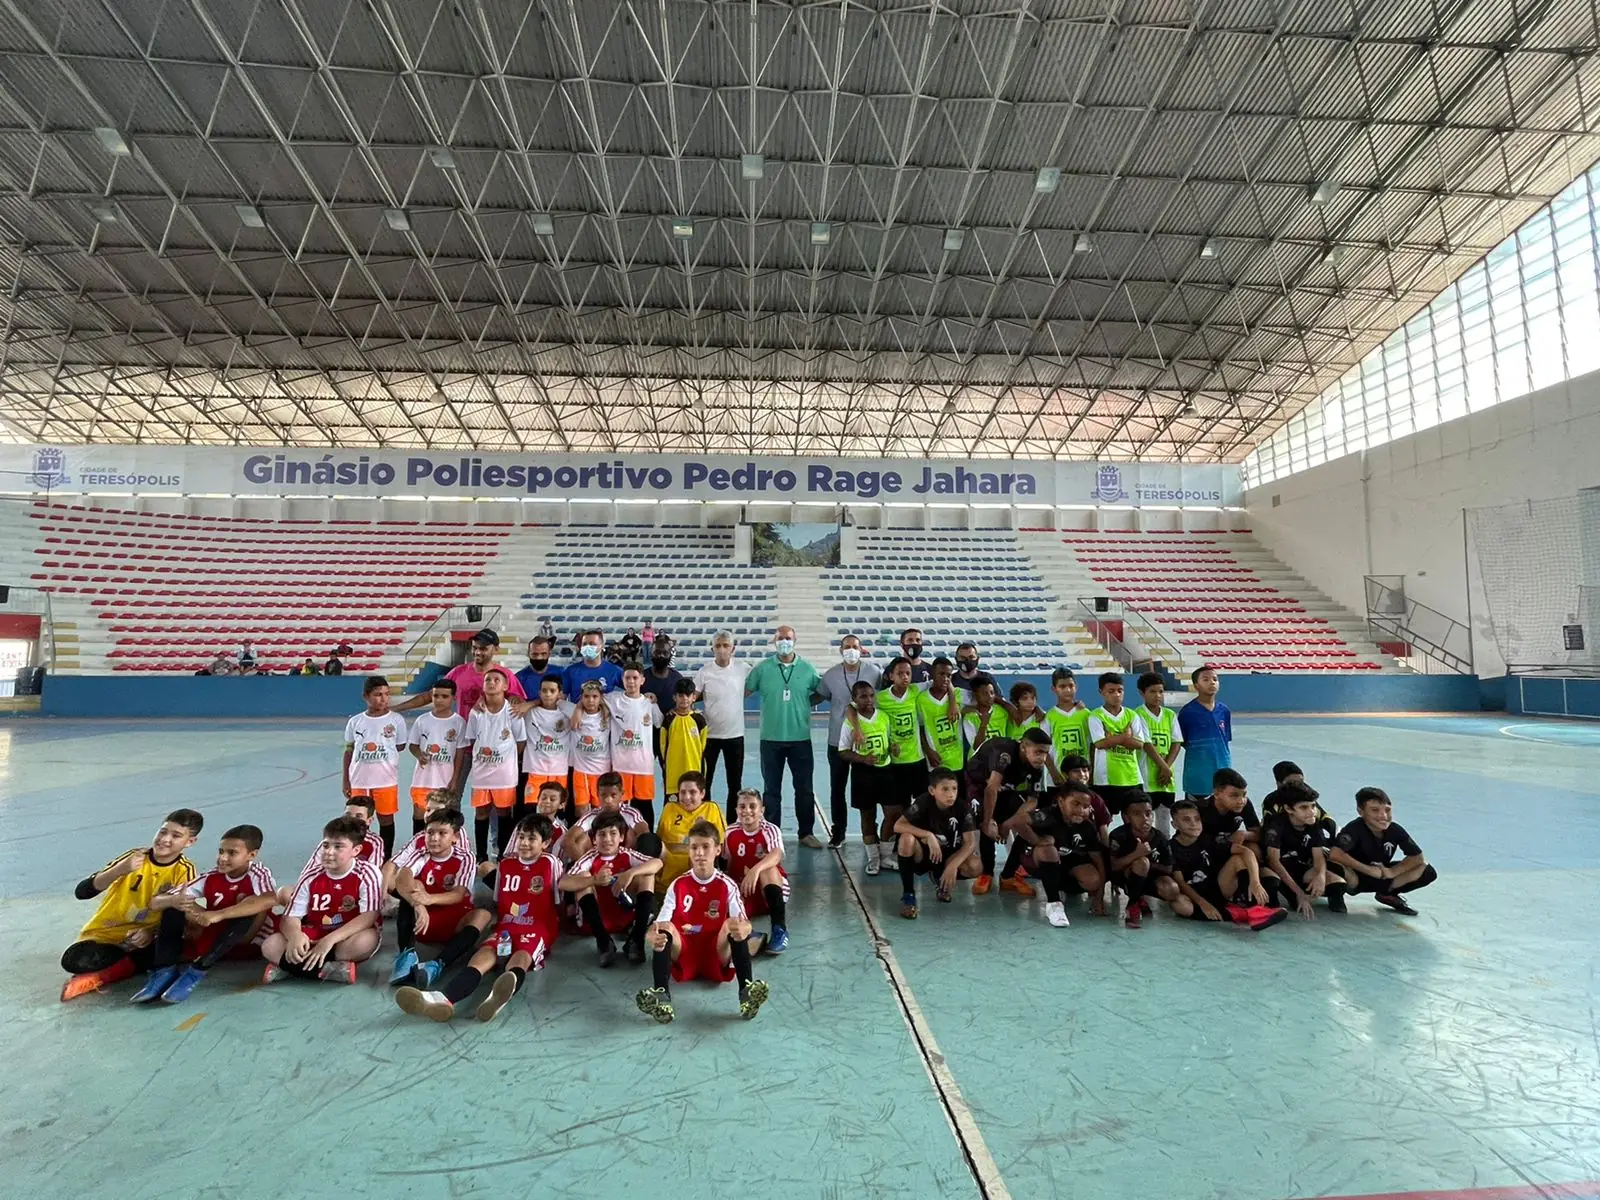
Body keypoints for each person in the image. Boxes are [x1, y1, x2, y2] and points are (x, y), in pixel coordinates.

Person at [395, 813, 562, 1023]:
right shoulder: (506, 866)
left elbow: (558, 896)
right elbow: (499, 901)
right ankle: (442, 998)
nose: (524, 843)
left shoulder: (550, 862)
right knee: (481, 957)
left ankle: (498, 996)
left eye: (531, 838)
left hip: (537, 928)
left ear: (545, 843)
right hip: (506, 927)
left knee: (521, 957)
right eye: (521, 837)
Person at [59, 809, 203, 1001]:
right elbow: (83, 892)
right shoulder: (134, 857)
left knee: (176, 927)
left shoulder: (184, 870)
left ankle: (104, 975)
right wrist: (120, 870)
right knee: (73, 960)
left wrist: (150, 933)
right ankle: (120, 966)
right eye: (163, 831)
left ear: (190, 842)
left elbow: (179, 916)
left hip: (147, 938)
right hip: (106, 935)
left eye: (176, 836)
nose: (165, 839)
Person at [634, 819, 770, 1024]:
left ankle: (747, 993)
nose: (699, 853)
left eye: (705, 847)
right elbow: (660, 922)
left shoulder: (727, 885)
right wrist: (651, 935)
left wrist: (745, 929)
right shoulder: (678, 885)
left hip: (715, 952)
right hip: (685, 950)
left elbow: (745, 922)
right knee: (664, 929)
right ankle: (662, 997)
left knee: (733, 925)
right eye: (694, 847)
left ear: (717, 850)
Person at [128, 823, 280, 1005]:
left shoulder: (258, 874)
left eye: (232, 853)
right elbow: (155, 902)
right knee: (172, 906)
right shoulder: (211, 876)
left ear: (252, 855)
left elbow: (270, 899)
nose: (222, 858)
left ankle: (196, 972)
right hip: (213, 940)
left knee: (249, 906)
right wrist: (179, 903)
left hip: (245, 942)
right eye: (221, 851)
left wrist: (219, 914)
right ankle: (164, 971)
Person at [262, 816, 384, 984]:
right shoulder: (311, 876)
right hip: (314, 931)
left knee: (365, 941)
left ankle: (289, 967)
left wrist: (330, 940)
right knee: (270, 945)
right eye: (326, 845)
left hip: (347, 934)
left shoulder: (367, 873)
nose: (329, 852)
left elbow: (369, 916)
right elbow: (290, 916)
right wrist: (296, 936)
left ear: (356, 851)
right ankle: (330, 970)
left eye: (338, 847)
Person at [745, 624, 823, 848]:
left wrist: (803, 705)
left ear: (795, 640)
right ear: (774, 641)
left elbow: (819, 693)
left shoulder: (808, 669)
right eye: (780, 638)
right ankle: (773, 835)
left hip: (800, 739)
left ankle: (806, 832)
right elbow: (745, 690)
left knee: (805, 789)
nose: (784, 641)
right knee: (771, 790)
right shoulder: (762, 669)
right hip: (770, 739)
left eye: (788, 637)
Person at [386, 807, 482, 987]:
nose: (434, 838)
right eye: (430, 832)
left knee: (482, 915)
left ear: (455, 837)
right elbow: (403, 876)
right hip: (423, 921)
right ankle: (407, 954)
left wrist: (428, 899)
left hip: (453, 920)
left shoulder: (465, 857)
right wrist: (418, 904)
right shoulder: (420, 854)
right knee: (410, 887)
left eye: (442, 833)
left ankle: (437, 965)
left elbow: (458, 894)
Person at [562, 811, 663, 967]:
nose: (607, 839)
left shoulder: (627, 854)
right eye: (602, 835)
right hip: (595, 923)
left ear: (621, 837)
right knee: (582, 878)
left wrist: (630, 873)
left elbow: (657, 863)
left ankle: (636, 940)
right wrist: (594, 880)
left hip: (623, 920)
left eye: (613, 834)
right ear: (594, 839)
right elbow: (563, 883)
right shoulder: (589, 858)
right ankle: (603, 943)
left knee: (646, 874)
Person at [1169, 800, 1285, 931]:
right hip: (1193, 896)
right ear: (1174, 824)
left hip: (1218, 890)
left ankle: (1254, 910)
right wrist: (1204, 904)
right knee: (1180, 905)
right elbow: (1180, 882)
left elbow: (1246, 852)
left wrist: (1255, 882)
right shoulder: (1171, 848)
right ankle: (1237, 914)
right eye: (1186, 820)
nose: (1194, 824)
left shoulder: (1207, 839)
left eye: (1197, 819)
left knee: (1238, 859)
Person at [965, 728, 1052, 896]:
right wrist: (988, 821)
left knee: (1027, 823)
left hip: (1003, 786)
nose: (1042, 758)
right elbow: (991, 788)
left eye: (1046, 753)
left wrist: (1009, 823)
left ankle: (1008, 877)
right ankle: (987, 874)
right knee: (987, 823)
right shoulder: (1005, 754)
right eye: (1038, 752)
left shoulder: (1037, 766)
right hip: (979, 784)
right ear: (1023, 747)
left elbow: (1032, 801)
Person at [814, 633, 881, 847]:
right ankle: (839, 831)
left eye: (854, 646)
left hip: (867, 741)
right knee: (837, 788)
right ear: (841, 650)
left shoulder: (874, 672)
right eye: (846, 646)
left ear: (861, 649)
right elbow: (820, 696)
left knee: (870, 789)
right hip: (837, 740)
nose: (850, 649)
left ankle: (873, 832)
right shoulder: (830, 675)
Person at [1330, 787, 1437, 915]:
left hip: (1381, 874)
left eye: (1387, 810)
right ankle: (1336, 894)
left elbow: (1416, 857)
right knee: (1333, 864)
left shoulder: (1395, 830)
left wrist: (1392, 872)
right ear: (1360, 811)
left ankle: (1387, 894)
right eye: (1375, 810)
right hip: (1355, 876)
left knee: (1426, 869)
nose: (1383, 816)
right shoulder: (1354, 828)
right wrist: (1368, 870)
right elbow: (1336, 854)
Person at [459, 665, 525, 861]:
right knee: (481, 813)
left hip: (504, 774)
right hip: (481, 772)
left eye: (497, 680)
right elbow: (472, 739)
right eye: (488, 680)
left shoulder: (512, 711)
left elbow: (520, 742)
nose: (492, 683)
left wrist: (506, 759)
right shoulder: (476, 712)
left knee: (503, 813)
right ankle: (480, 855)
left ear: (505, 686)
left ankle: (503, 853)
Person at [892, 767, 978, 918]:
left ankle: (940, 879)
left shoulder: (963, 807)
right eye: (945, 789)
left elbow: (970, 843)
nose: (951, 794)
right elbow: (898, 825)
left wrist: (953, 865)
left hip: (948, 855)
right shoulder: (924, 801)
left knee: (975, 866)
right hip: (925, 854)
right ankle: (908, 895)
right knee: (906, 839)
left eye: (954, 789)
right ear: (932, 790)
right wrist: (928, 835)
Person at [1024, 783, 1107, 928]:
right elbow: (1019, 822)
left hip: (1069, 866)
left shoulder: (1087, 826)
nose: (1081, 810)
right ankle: (1054, 904)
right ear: (1061, 801)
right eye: (1075, 804)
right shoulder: (1047, 815)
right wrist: (1036, 840)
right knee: (1048, 849)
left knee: (1093, 880)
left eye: (1085, 806)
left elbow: (1098, 859)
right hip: (1039, 863)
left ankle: (1063, 888)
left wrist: (1099, 896)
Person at [393, 629, 528, 718]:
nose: (477, 652)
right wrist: (396, 708)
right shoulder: (458, 672)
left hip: (490, 743)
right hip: (462, 742)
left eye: (483, 648)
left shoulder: (505, 675)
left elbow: (519, 703)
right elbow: (428, 696)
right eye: (474, 648)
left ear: (496, 650)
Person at [343, 675, 407, 859]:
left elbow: (400, 745)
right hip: (359, 779)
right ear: (366, 696)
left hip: (385, 779)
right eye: (378, 695)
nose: (383, 699)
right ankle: (360, 853)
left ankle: (385, 856)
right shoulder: (355, 721)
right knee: (358, 819)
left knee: (386, 818)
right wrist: (346, 780)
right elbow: (349, 751)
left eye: (386, 694)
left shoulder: (396, 720)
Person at [837, 678, 893, 874]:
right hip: (863, 774)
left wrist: (892, 748)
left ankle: (886, 855)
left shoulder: (884, 717)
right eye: (863, 696)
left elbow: (889, 739)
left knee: (892, 814)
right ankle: (873, 858)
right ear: (854, 699)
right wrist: (862, 759)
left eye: (871, 695)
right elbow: (843, 751)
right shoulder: (850, 723)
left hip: (886, 771)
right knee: (868, 817)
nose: (868, 700)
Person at [1263, 785, 1345, 918]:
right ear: (1289, 809)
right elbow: (1274, 861)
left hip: (1299, 866)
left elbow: (1318, 857)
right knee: (1276, 887)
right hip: (1277, 869)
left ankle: (1320, 896)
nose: (1311, 811)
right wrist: (1299, 893)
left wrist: (1321, 876)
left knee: (1338, 885)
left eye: (1313, 806)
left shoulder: (1313, 824)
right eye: (1304, 807)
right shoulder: (1276, 825)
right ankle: (1287, 893)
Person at [724, 788, 790, 953]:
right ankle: (752, 936)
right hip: (745, 890)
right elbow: (727, 862)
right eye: (742, 806)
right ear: (736, 810)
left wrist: (755, 870)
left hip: (768, 890)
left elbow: (776, 854)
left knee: (769, 869)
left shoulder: (770, 829)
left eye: (752, 806)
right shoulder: (730, 831)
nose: (747, 810)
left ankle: (779, 930)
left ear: (762, 810)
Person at [693, 630, 751, 810]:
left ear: (733, 648)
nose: (722, 649)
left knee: (734, 783)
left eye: (726, 645)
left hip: (735, 735)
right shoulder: (705, 672)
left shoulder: (744, 669)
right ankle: (707, 819)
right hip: (710, 736)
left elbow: (753, 687)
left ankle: (733, 824)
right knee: (706, 781)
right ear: (712, 648)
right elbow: (692, 696)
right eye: (718, 645)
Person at [875, 656, 926, 859]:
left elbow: (944, 683)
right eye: (900, 673)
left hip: (917, 762)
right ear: (890, 676)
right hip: (894, 765)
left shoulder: (915, 691)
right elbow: (853, 707)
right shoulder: (881, 698)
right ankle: (886, 852)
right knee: (895, 812)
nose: (905, 677)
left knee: (921, 809)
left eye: (908, 673)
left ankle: (919, 848)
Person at [1087, 672, 1157, 814]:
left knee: (1133, 816)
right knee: (1104, 818)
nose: (1116, 695)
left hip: (1131, 777)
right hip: (1105, 778)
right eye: (1111, 691)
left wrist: (1112, 739)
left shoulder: (1132, 715)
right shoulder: (1095, 715)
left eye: (1120, 691)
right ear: (1102, 692)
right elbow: (1100, 743)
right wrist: (1125, 737)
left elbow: (1139, 744)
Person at [1107, 795, 1180, 929]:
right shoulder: (1118, 835)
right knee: (1141, 862)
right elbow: (1113, 866)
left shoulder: (1160, 838)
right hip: (1125, 878)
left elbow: (1169, 868)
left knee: (1172, 890)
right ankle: (1132, 905)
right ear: (1126, 817)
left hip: (1150, 878)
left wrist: (1149, 865)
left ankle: (1140, 895)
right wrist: (1137, 855)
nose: (1145, 819)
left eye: (1148, 814)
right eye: (1137, 814)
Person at [406, 679, 466, 836]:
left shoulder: (458, 722)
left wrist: (454, 780)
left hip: (443, 780)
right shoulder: (422, 720)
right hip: (422, 779)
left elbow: (459, 753)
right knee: (419, 816)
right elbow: (413, 745)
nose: (439, 700)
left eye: (444, 696)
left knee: (441, 818)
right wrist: (419, 755)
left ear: (454, 698)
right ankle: (418, 846)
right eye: (435, 696)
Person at [605, 663, 658, 823]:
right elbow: (591, 698)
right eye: (627, 678)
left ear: (642, 680)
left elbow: (660, 722)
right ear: (623, 679)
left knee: (645, 806)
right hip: (621, 765)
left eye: (635, 678)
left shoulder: (649, 703)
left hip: (643, 766)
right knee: (620, 807)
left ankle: (645, 840)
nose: (631, 681)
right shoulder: (613, 700)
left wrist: (654, 701)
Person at [655, 771, 726, 887]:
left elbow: (722, 848)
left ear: (702, 793)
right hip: (668, 874)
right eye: (683, 792)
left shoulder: (711, 809)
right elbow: (657, 843)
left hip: (699, 873)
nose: (687, 797)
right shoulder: (669, 809)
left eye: (692, 792)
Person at [1133, 672, 1182, 837]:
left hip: (1166, 778)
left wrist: (1167, 768)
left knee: (1164, 819)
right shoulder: (1137, 714)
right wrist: (1164, 767)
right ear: (1142, 693)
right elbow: (1146, 744)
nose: (1158, 696)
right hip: (1146, 776)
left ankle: (1163, 851)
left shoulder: (1170, 715)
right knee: (1144, 819)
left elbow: (1176, 742)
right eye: (1152, 692)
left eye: (1161, 691)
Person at [564, 771, 650, 860]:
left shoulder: (630, 814)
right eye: (603, 795)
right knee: (581, 839)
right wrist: (585, 864)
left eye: (613, 795)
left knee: (633, 835)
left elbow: (645, 835)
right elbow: (567, 840)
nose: (608, 800)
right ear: (597, 794)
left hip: (625, 861)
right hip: (597, 864)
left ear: (622, 793)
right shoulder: (591, 816)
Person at [1177, 666, 1232, 801]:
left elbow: (1225, 740)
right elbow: (1183, 742)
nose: (1212, 682)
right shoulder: (1187, 712)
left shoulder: (1224, 711)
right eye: (1205, 679)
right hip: (1198, 775)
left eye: (1215, 679)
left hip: (1223, 769)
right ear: (1196, 686)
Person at [519, 676, 573, 805]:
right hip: (536, 770)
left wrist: (560, 702)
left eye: (552, 691)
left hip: (559, 770)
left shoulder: (567, 713)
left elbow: (581, 711)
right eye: (544, 690)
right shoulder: (530, 713)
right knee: (532, 809)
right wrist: (532, 703)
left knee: (557, 810)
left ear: (559, 693)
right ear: (539, 693)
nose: (547, 694)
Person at [568, 680, 613, 811]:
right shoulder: (572, 711)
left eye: (594, 696)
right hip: (581, 770)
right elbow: (555, 702)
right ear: (581, 698)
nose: (590, 700)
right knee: (581, 810)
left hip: (602, 770)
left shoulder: (608, 716)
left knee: (601, 809)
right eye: (586, 696)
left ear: (601, 698)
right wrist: (577, 708)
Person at [660, 678, 707, 798]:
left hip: (694, 770)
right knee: (672, 808)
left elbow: (703, 747)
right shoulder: (668, 720)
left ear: (694, 697)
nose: (684, 698)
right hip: (673, 773)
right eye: (681, 695)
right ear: (674, 697)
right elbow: (663, 746)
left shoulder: (699, 720)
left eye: (688, 695)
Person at [917, 657, 965, 773]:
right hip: (936, 760)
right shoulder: (922, 699)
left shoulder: (958, 694)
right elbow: (920, 727)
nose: (945, 679)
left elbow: (983, 697)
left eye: (948, 675)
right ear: (932, 674)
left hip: (957, 760)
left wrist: (1007, 705)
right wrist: (928, 751)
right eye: (941, 674)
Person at [1044, 668, 1090, 771]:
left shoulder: (1086, 713)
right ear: (1054, 689)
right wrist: (1054, 774)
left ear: (1076, 687)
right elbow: (1044, 749)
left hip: (1082, 775)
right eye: (1062, 686)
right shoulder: (1048, 717)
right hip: (1058, 776)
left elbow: (1093, 745)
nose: (1067, 690)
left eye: (1071, 686)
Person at [562, 628, 624, 700]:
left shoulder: (615, 670)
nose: (587, 647)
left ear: (602, 646)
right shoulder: (570, 671)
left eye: (592, 644)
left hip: (604, 710)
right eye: (584, 644)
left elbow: (633, 691)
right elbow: (562, 697)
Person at [641, 635, 683, 726]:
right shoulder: (641, 678)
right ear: (651, 654)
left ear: (670, 655)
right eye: (657, 652)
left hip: (672, 728)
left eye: (665, 653)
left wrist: (677, 709)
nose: (661, 656)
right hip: (646, 728)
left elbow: (686, 704)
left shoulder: (678, 679)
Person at [961, 678, 1008, 752]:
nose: (989, 696)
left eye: (992, 693)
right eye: (984, 693)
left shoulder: (1002, 711)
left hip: (999, 759)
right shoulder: (969, 717)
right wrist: (983, 724)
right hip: (978, 760)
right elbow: (976, 747)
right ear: (975, 695)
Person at [514, 634, 559, 699]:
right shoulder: (519, 678)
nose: (539, 658)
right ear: (528, 654)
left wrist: (531, 703)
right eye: (535, 654)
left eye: (543, 654)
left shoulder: (560, 673)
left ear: (549, 654)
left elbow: (561, 698)